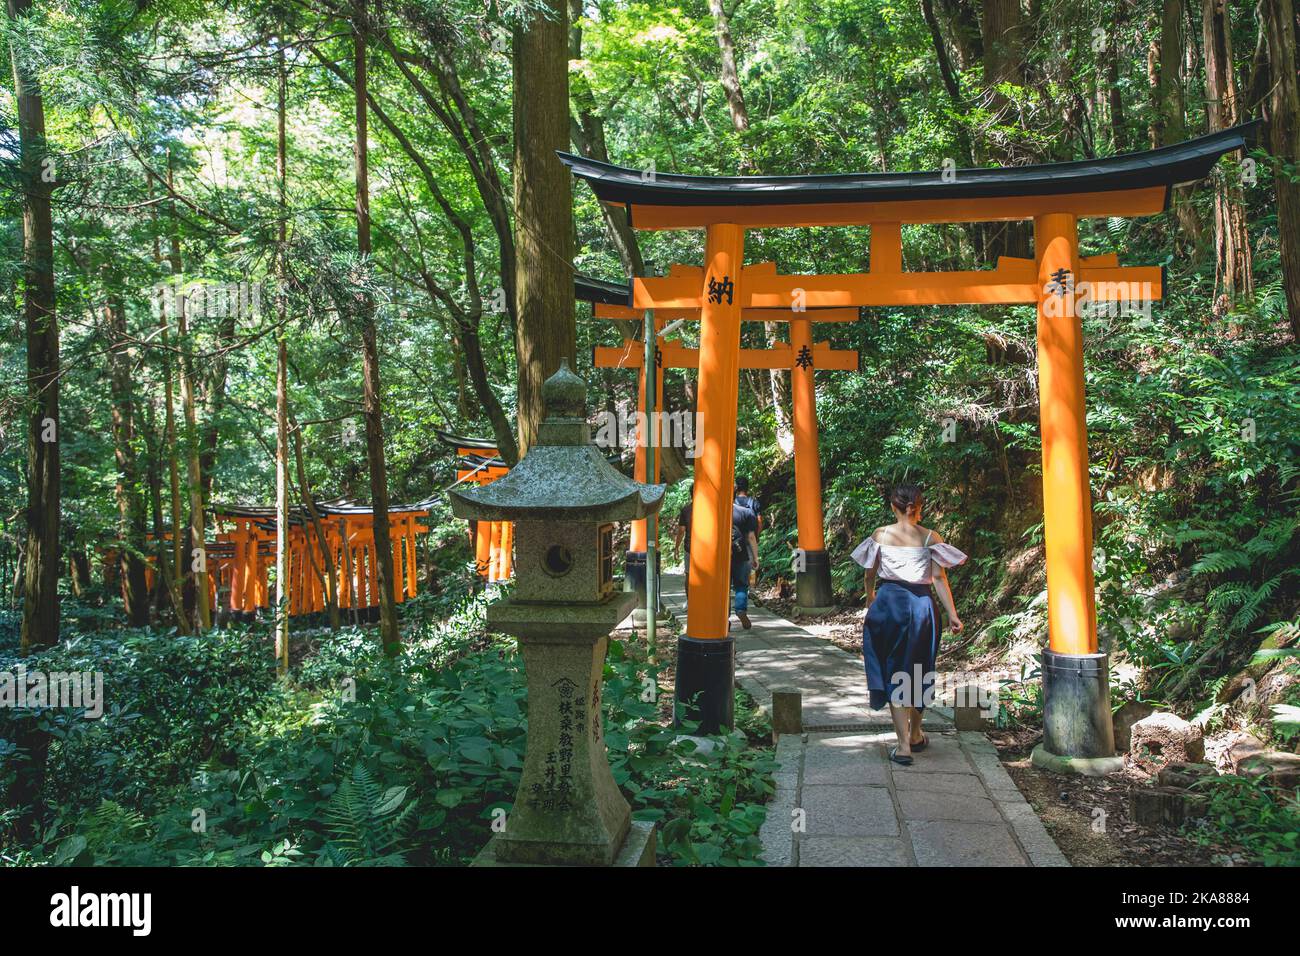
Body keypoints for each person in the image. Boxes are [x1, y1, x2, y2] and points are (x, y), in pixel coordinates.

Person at [851, 484, 966, 766]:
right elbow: (939, 579)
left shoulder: (881, 534)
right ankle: (915, 733)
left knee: (894, 668)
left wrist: (870, 599)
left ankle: (903, 745)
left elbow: (869, 574)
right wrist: (952, 613)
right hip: (921, 607)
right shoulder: (929, 537)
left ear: (893, 506)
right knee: (918, 668)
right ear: (919, 507)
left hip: (888, 605)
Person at [674, 483, 760, 629]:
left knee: (723, 587)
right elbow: (751, 536)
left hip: (721, 555)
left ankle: (724, 618)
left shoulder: (715, 512)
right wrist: (756, 557)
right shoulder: (746, 512)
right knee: (741, 585)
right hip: (741, 553)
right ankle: (740, 609)